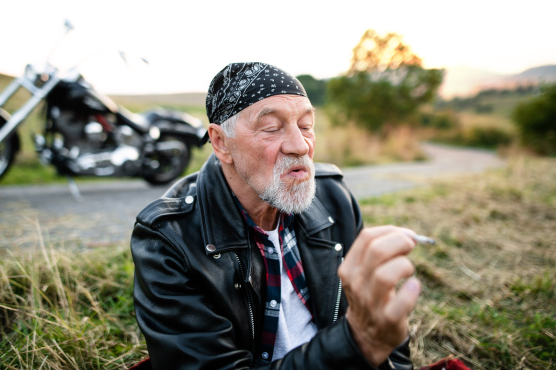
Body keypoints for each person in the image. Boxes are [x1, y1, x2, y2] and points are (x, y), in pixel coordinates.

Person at [131, 62, 421, 369]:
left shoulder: (335, 198)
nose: (300, 145)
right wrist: (355, 344)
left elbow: (385, 332)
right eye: (271, 128)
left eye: (306, 125)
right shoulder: (168, 239)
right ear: (221, 143)